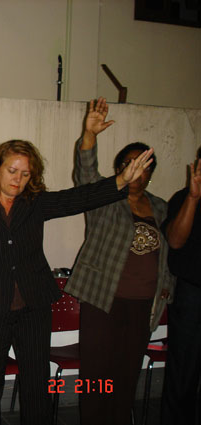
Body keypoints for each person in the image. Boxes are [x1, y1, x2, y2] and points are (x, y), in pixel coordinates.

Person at [0, 107, 154, 425]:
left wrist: (120, 180)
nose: (18, 179)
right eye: (12, 171)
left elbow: (80, 198)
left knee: (37, 383)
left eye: (25, 174)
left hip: (34, 306)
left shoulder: (35, 203)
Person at [65, 97, 175, 425]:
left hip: (143, 305)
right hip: (103, 300)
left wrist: (167, 288)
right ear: (119, 169)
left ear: (151, 173)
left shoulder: (161, 207)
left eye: (144, 164)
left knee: (126, 375)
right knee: (96, 374)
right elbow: (85, 174)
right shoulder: (105, 198)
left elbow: (171, 250)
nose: (137, 169)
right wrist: (89, 136)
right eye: (129, 162)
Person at [160, 148, 201, 425]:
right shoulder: (182, 198)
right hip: (192, 295)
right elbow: (175, 241)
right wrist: (194, 198)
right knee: (183, 374)